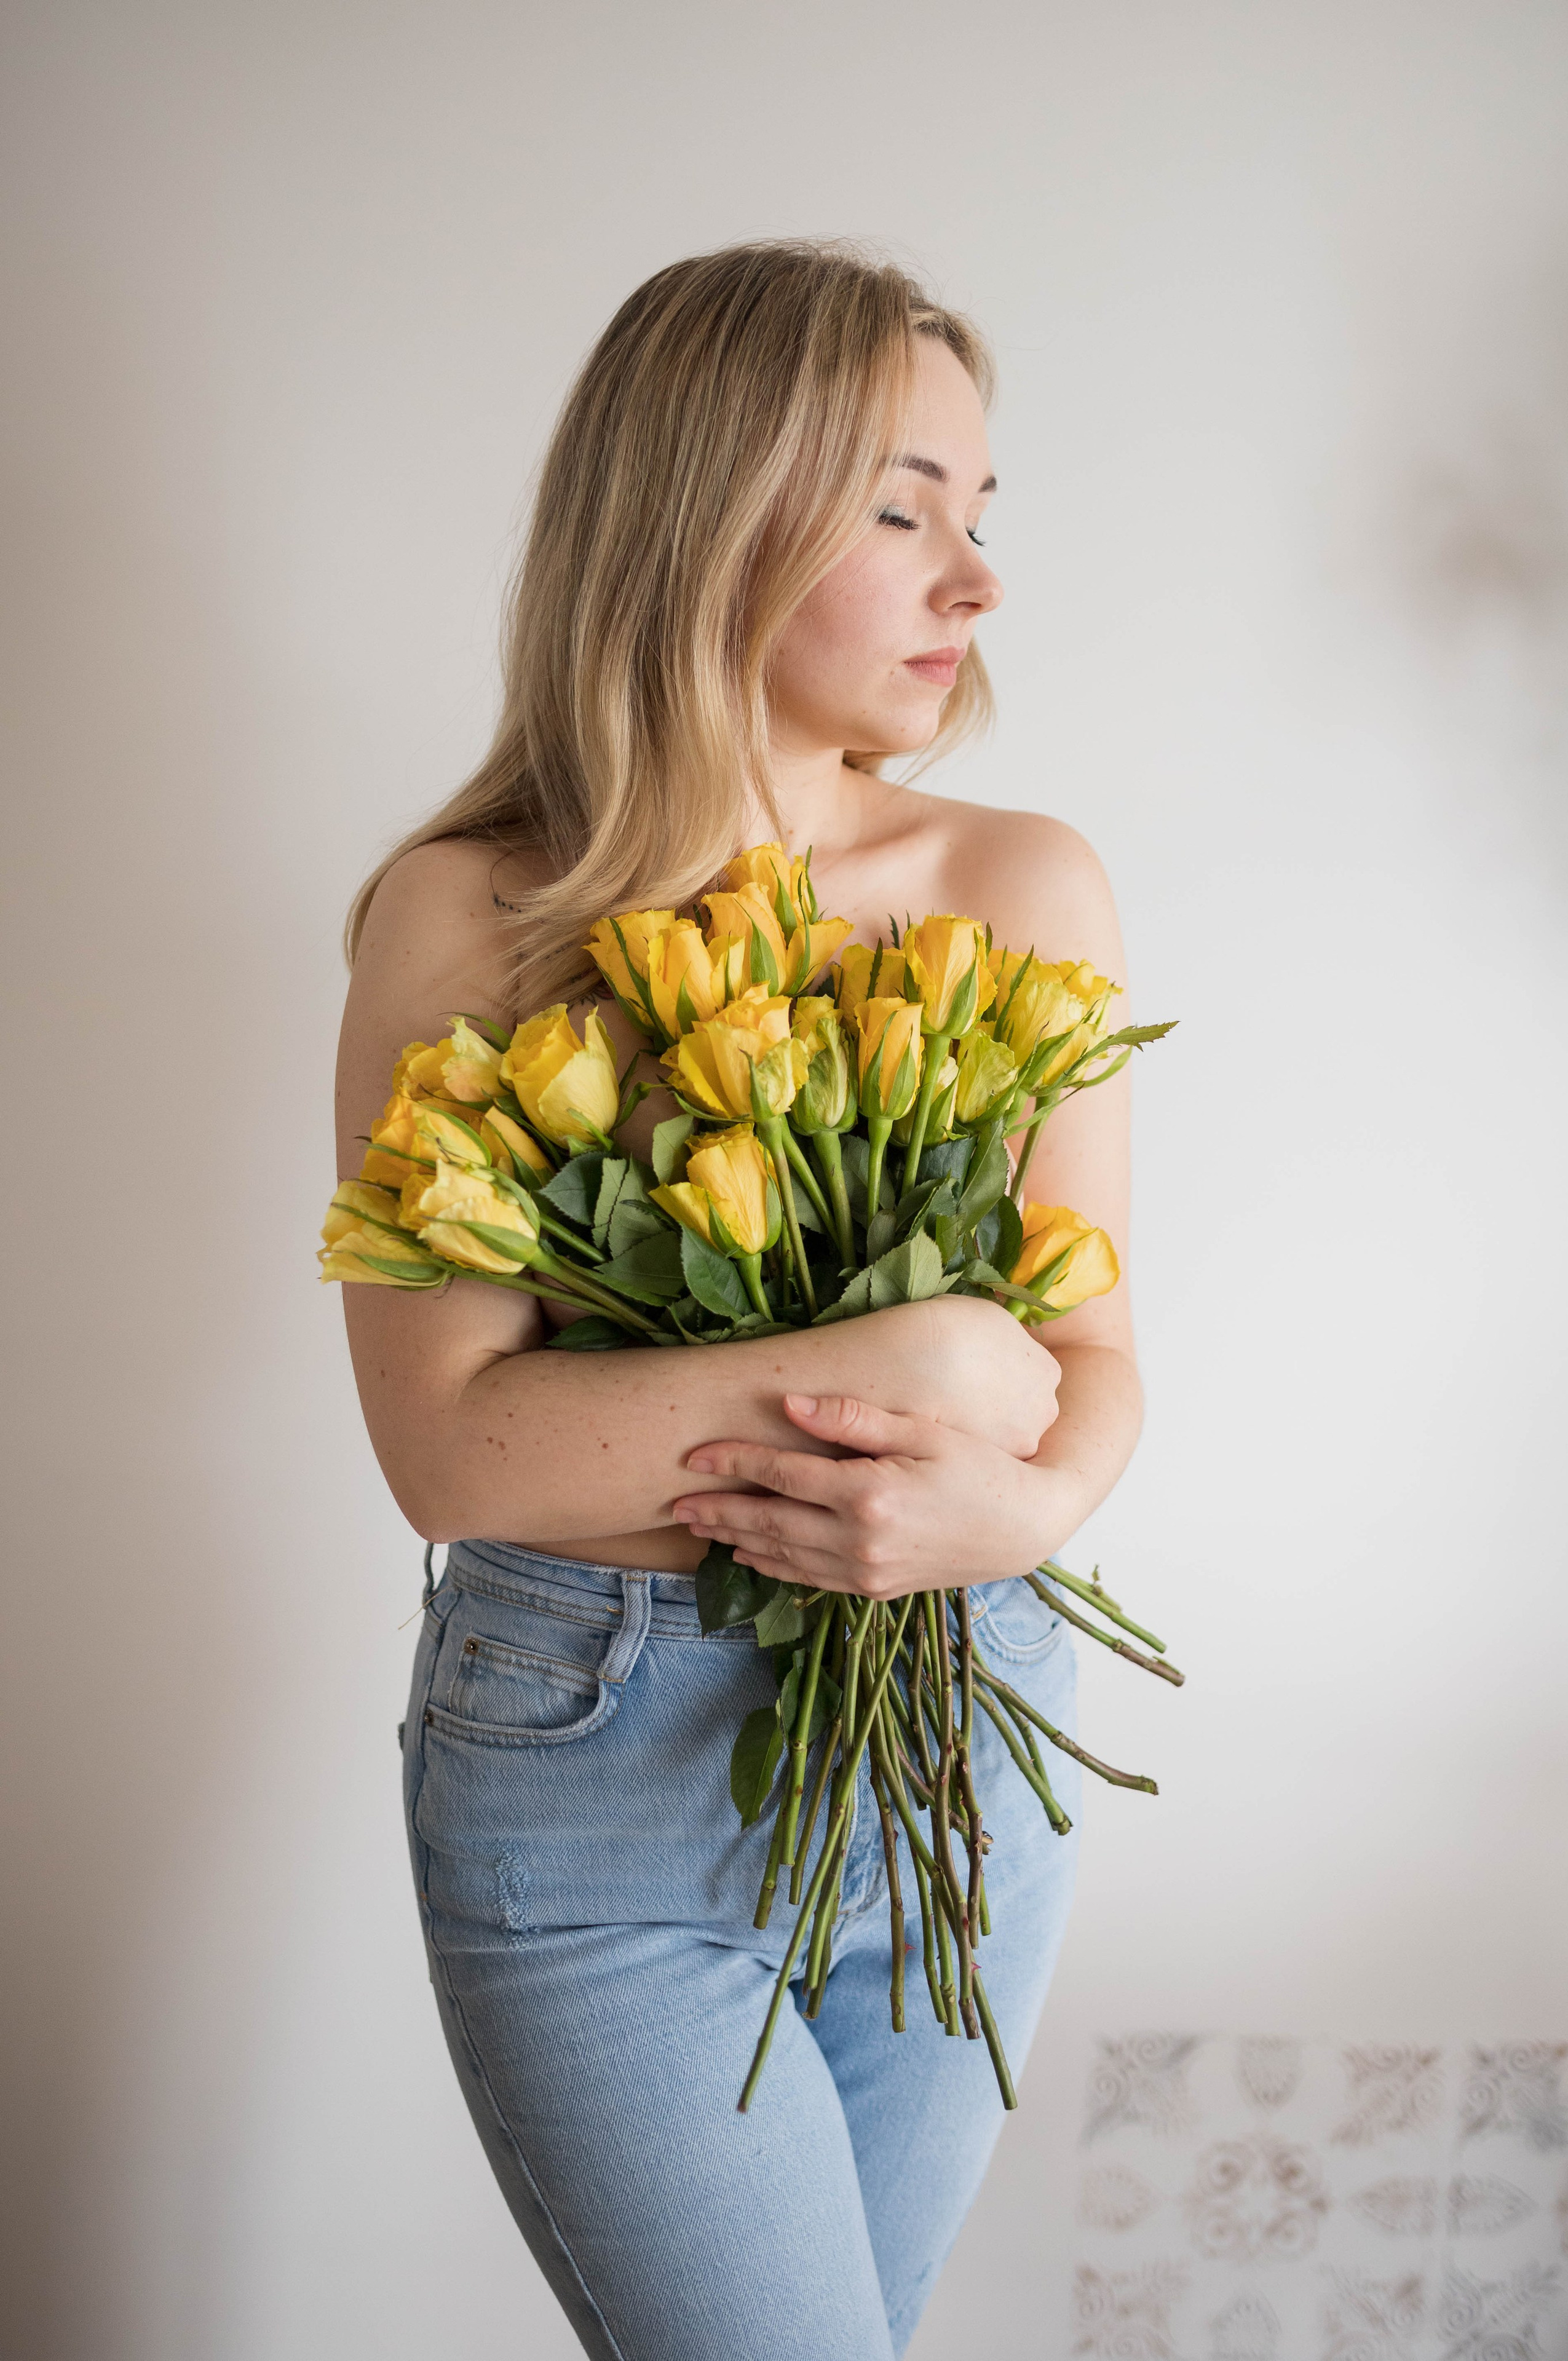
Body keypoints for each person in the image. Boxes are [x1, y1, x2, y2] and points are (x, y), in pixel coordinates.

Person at [335, 240, 1141, 2361]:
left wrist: (1030, 1510)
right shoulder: (474, 918)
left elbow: (1096, 1367)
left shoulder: (1015, 888)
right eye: (901, 508)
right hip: (589, 1765)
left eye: (983, 513)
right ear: (701, 511)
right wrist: (905, 1368)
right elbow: (452, 1448)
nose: (974, 583)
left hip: (971, 1729)